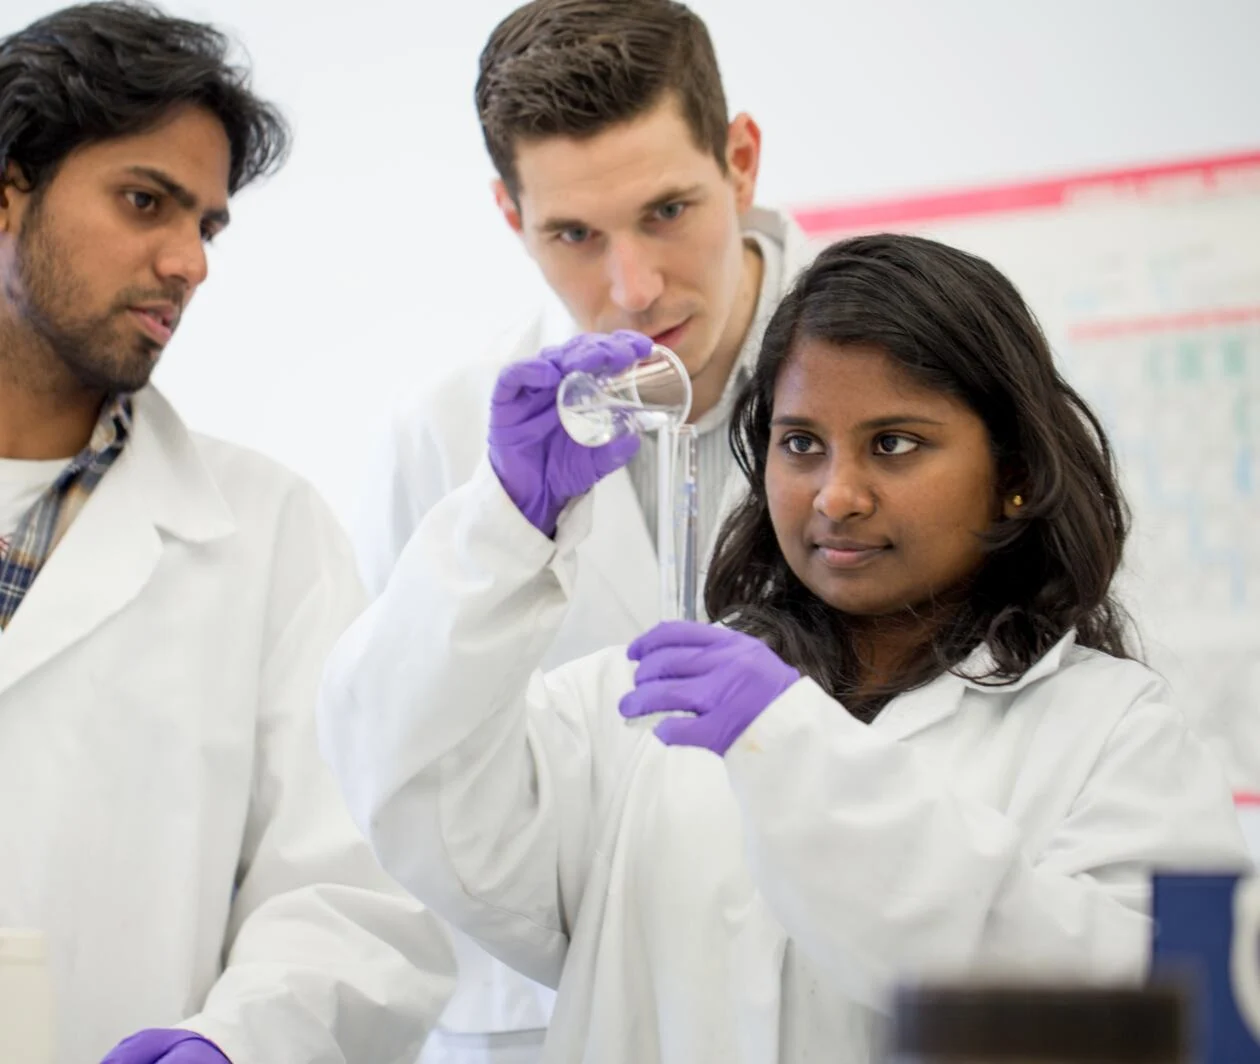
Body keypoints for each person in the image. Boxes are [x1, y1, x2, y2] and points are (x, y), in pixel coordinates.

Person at [320, 233, 1253, 1063]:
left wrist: (791, 747)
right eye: (800, 442)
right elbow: (411, 782)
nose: (835, 495)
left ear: (1012, 476)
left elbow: (1130, 1018)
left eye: (894, 444)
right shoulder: (647, 710)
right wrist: (504, 522)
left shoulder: (1114, 734)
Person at [352, 2, 814, 1054]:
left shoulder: (906, 390)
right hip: (535, 1019)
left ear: (739, 161)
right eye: (573, 233)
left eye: (666, 211)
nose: (633, 288)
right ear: (510, 213)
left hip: (820, 998)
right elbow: (384, 764)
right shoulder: (444, 436)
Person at [0, 4, 453, 1062]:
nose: (189, 263)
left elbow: (355, 895)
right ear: (9, 191)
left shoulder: (273, 537)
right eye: (145, 201)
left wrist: (236, 1044)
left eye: (205, 225)